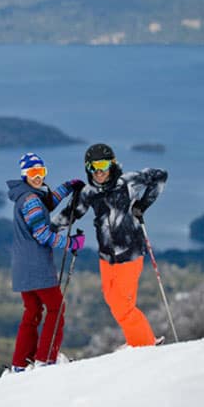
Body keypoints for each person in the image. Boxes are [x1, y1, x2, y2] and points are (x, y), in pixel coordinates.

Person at [53, 143, 167, 348]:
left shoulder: (127, 182)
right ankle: (136, 340)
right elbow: (72, 213)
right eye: (93, 167)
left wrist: (143, 205)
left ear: (112, 164)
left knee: (124, 305)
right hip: (106, 256)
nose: (99, 172)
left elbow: (159, 176)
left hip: (130, 253)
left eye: (103, 165)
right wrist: (48, 229)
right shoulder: (89, 192)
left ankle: (146, 344)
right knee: (112, 300)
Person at [6, 152, 85, 372]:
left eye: (41, 172)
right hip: (37, 267)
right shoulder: (31, 200)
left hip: (22, 267)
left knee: (31, 312)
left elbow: (46, 204)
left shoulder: (26, 195)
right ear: (25, 174)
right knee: (56, 308)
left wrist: (67, 187)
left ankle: (20, 363)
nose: (38, 177)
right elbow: (42, 234)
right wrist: (71, 242)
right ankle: (46, 358)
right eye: (33, 172)